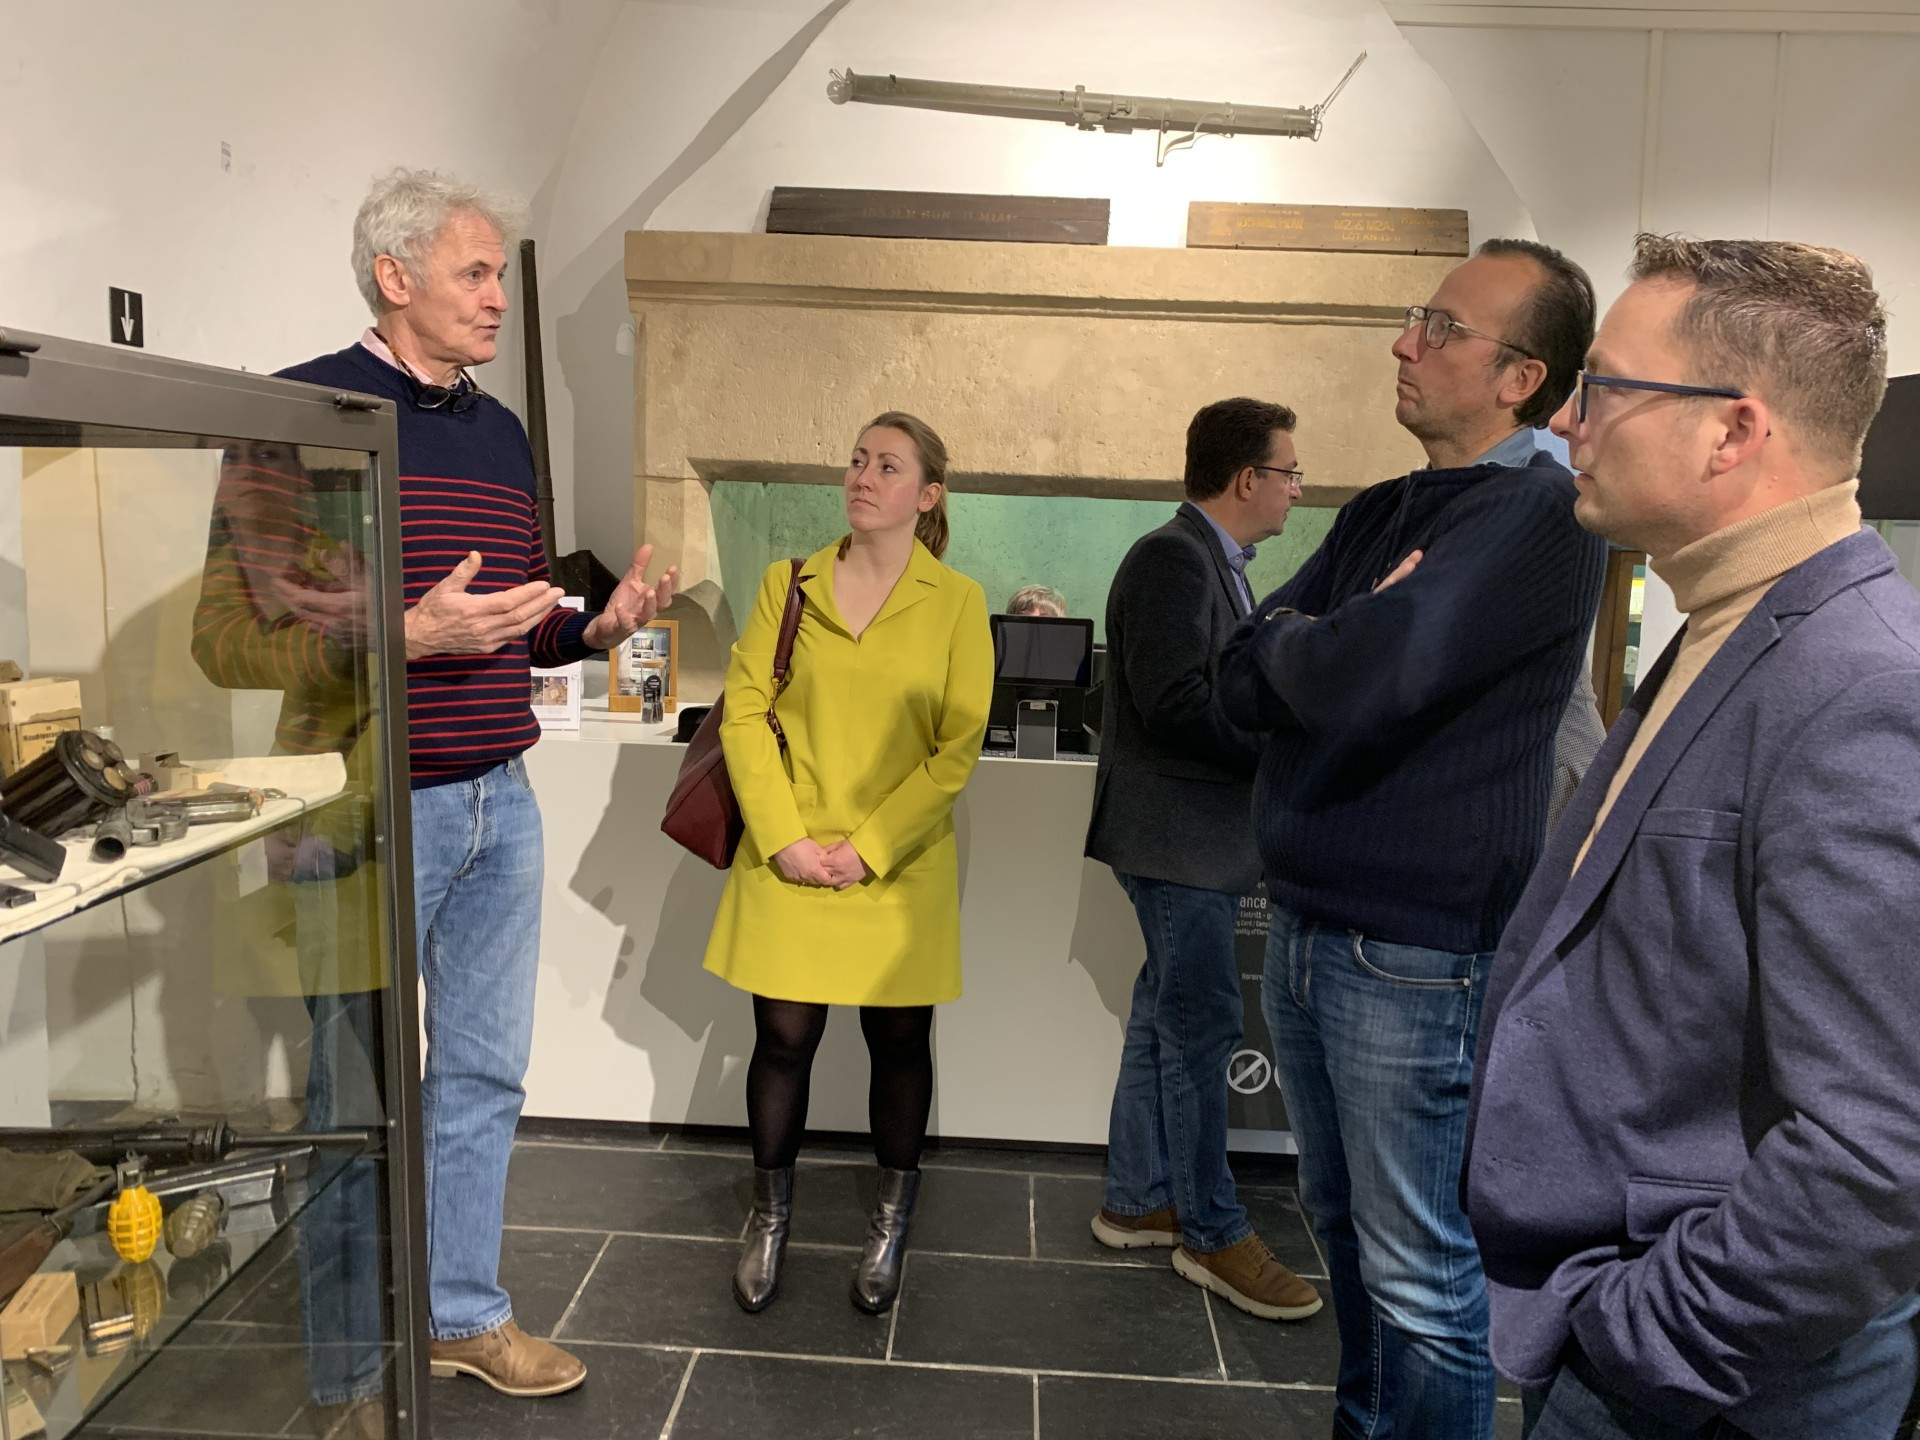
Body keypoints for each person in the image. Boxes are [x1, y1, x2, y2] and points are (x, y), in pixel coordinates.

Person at [1465, 235, 1920, 1440]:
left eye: (1605, 387)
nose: (1568, 419)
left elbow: (1879, 1151)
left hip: (1717, 1387)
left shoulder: (1864, 687)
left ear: (1733, 429)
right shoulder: (1735, 622)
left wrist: (1643, 1336)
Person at [274, 167, 676, 1401]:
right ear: (394, 277)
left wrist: (593, 628)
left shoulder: (498, 431)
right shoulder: (295, 415)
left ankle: (460, 1315)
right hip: (365, 808)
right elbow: (230, 641)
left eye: (501, 273)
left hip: (502, 798)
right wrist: (403, 635)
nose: (499, 296)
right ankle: (347, 1370)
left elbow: (516, 620)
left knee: (484, 1075)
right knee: (354, 1093)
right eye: (476, 273)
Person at [1216, 239, 1609, 1439]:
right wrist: (1333, 639)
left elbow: (1365, 675)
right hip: (1312, 924)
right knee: (1344, 1237)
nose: (1405, 342)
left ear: (1520, 378)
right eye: (1415, 318)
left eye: (1441, 328)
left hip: (1415, 951)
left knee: (1419, 1275)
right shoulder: (1386, 508)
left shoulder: (1541, 513)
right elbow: (1236, 668)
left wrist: (1331, 640)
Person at [707, 411, 992, 1317]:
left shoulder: (957, 602)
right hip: (786, 851)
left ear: (928, 495)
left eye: (889, 466)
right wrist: (786, 837)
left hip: (899, 865)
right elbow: (744, 713)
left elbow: (956, 746)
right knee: (782, 1041)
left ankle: (889, 1225)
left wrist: (867, 847)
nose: (864, 477)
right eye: (859, 460)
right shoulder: (786, 585)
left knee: (898, 1043)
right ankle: (769, 1220)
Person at [1083, 397, 1323, 1322]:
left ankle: (1139, 1200)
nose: (1297, 490)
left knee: (1164, 1016)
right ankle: (1213, 1233)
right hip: (1177, 841)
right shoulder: (1172, 559)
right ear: (1246, 478)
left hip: (1191, 841)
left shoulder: (1210, 563)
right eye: (1289, 473)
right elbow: (1175, 700)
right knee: (1201, 1029)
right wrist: (1280, 749)